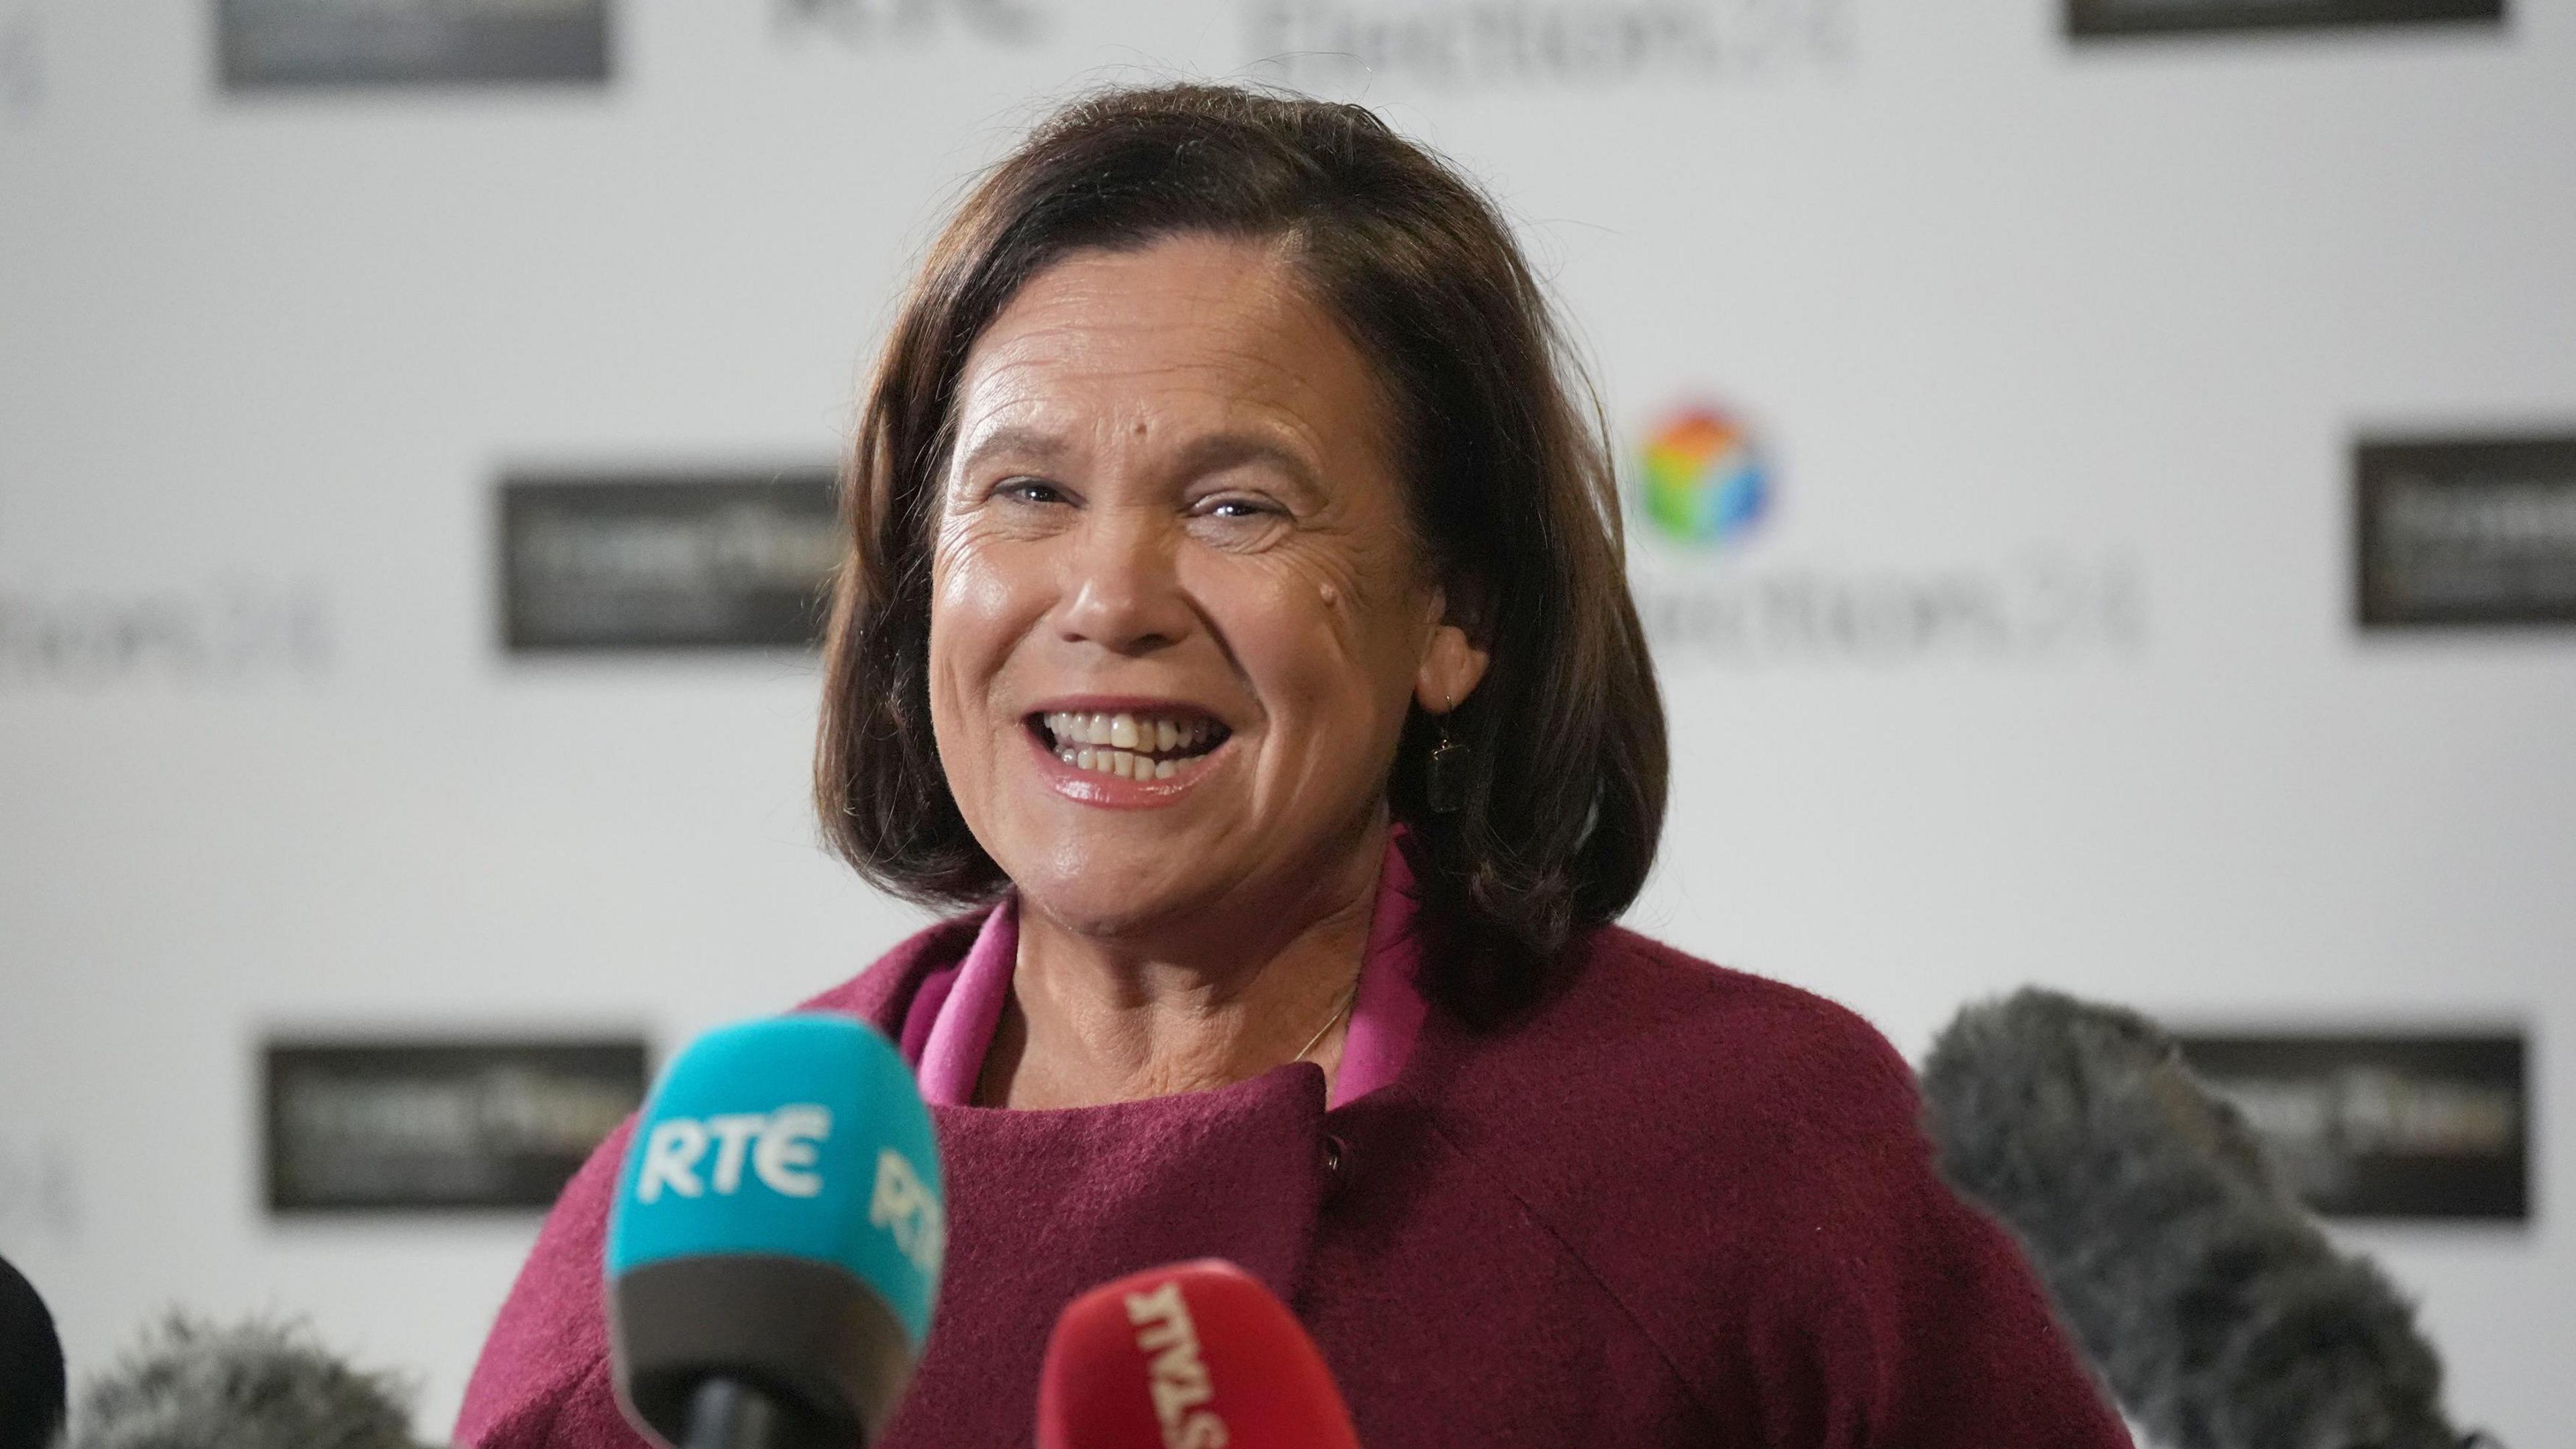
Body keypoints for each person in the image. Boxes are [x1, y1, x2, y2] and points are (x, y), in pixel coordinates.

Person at [457, 83, 2132, 1447]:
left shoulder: (1772, 1161)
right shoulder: (708, 1224)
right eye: (1025, 493)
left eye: (1236, 505)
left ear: (1453, 614)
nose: (1109, 598)